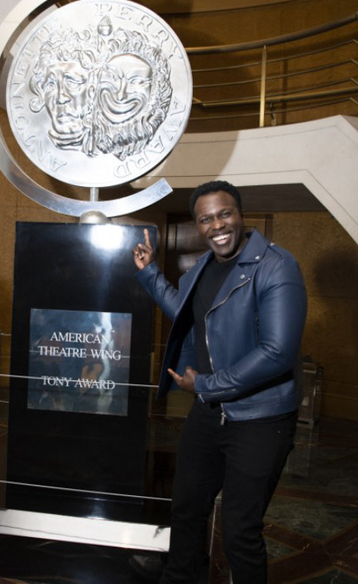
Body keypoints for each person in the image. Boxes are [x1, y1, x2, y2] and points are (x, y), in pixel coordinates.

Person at [132, 180, 307, 583]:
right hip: (210, 413)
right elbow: (187, 314)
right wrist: (150, 274)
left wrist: (207, 385)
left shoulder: (277, 265)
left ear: (240, 214)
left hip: (261, 417)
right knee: (187, 508)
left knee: (240, 530)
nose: (217, 225)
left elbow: (278, 352)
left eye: (224, 214)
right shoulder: (204, 267)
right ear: (198, 225)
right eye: (206, 219)